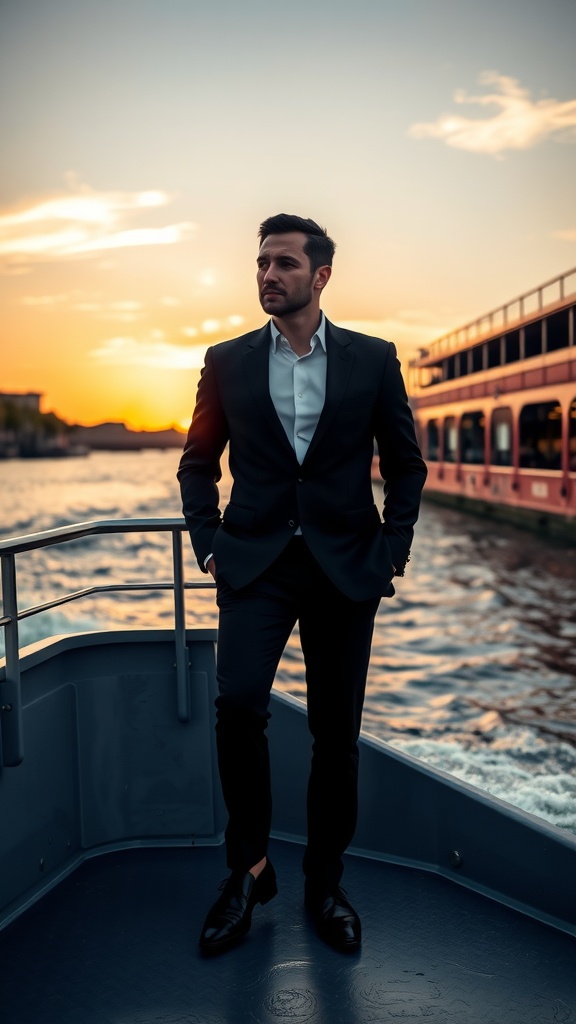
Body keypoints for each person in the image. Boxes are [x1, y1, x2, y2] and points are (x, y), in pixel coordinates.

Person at [177, 213, 427, 955]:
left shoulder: (373, 359)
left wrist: (392, 551)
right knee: (237, 707)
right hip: (254, 564)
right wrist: (208, 544)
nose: (267, 275)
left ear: (320, 276)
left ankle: (326, 882)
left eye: (284, 263)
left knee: (335, 738)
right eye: (261, 263)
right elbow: (197, 461)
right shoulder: (226, 361)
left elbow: (406, 465)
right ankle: (249, 870)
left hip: (346, 567)